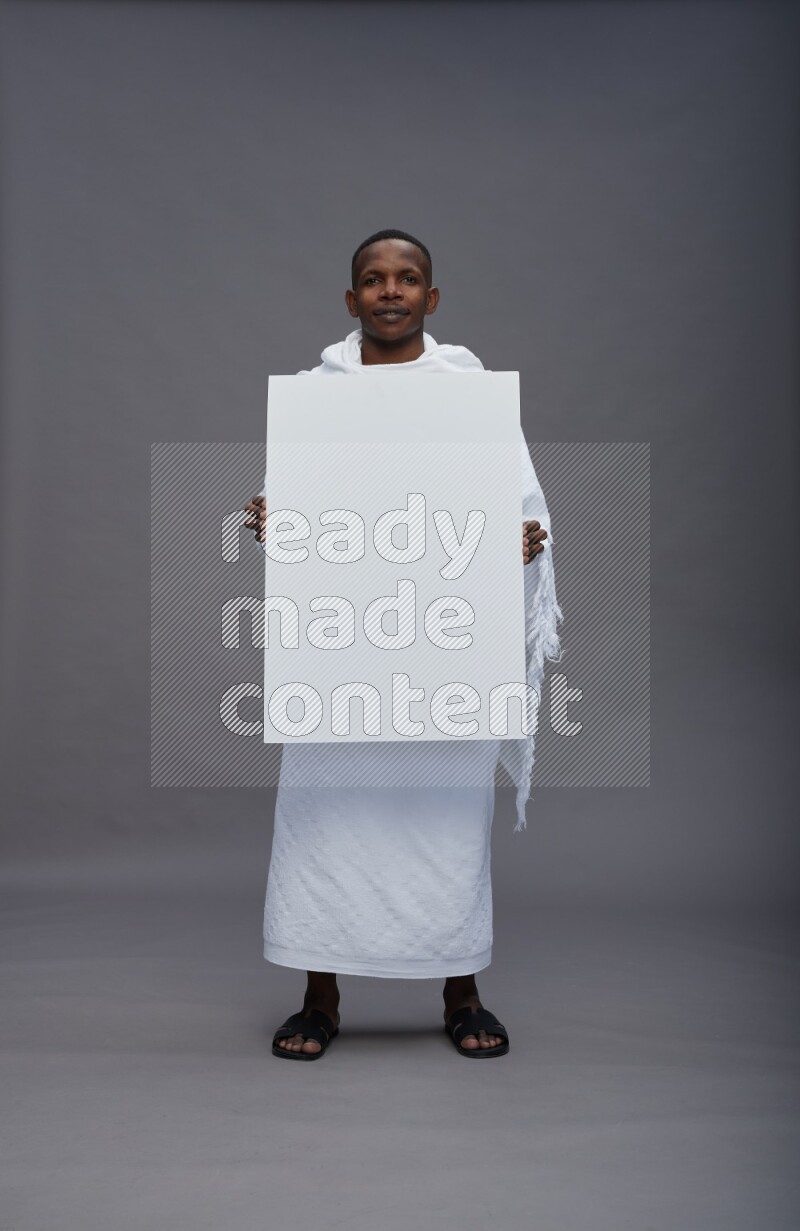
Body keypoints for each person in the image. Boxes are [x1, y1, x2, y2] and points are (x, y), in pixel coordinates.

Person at [244, 230, 562, 1060]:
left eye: (408, 278)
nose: (391, 290)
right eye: (373, 280)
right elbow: (299, 507)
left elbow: (522, 501)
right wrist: (276, 523)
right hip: (346, 647)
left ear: (432, 297)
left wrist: (523, 542)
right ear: (351, 301)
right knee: (326, 816)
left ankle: (461, 989)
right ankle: (319, 998)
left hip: (443, 644)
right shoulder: (318, 395)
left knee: (445, 816)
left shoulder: (472, 394)